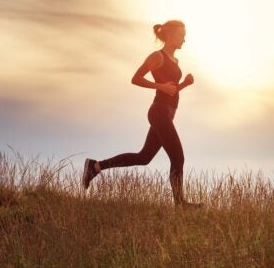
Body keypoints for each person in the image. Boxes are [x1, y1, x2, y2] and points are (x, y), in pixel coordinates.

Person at [81, 19, 201, 207]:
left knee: (144, 157)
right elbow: (136, 78)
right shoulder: (157, 56)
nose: (184, 40)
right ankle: (180, 203)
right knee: (178, 157)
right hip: (159, 112)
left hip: (167, 113)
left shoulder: (175, 61)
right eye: (181, 35)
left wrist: (184, 84)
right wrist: (158, 85)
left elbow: (171, 90)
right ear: (169, 35)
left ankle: (95, 167)